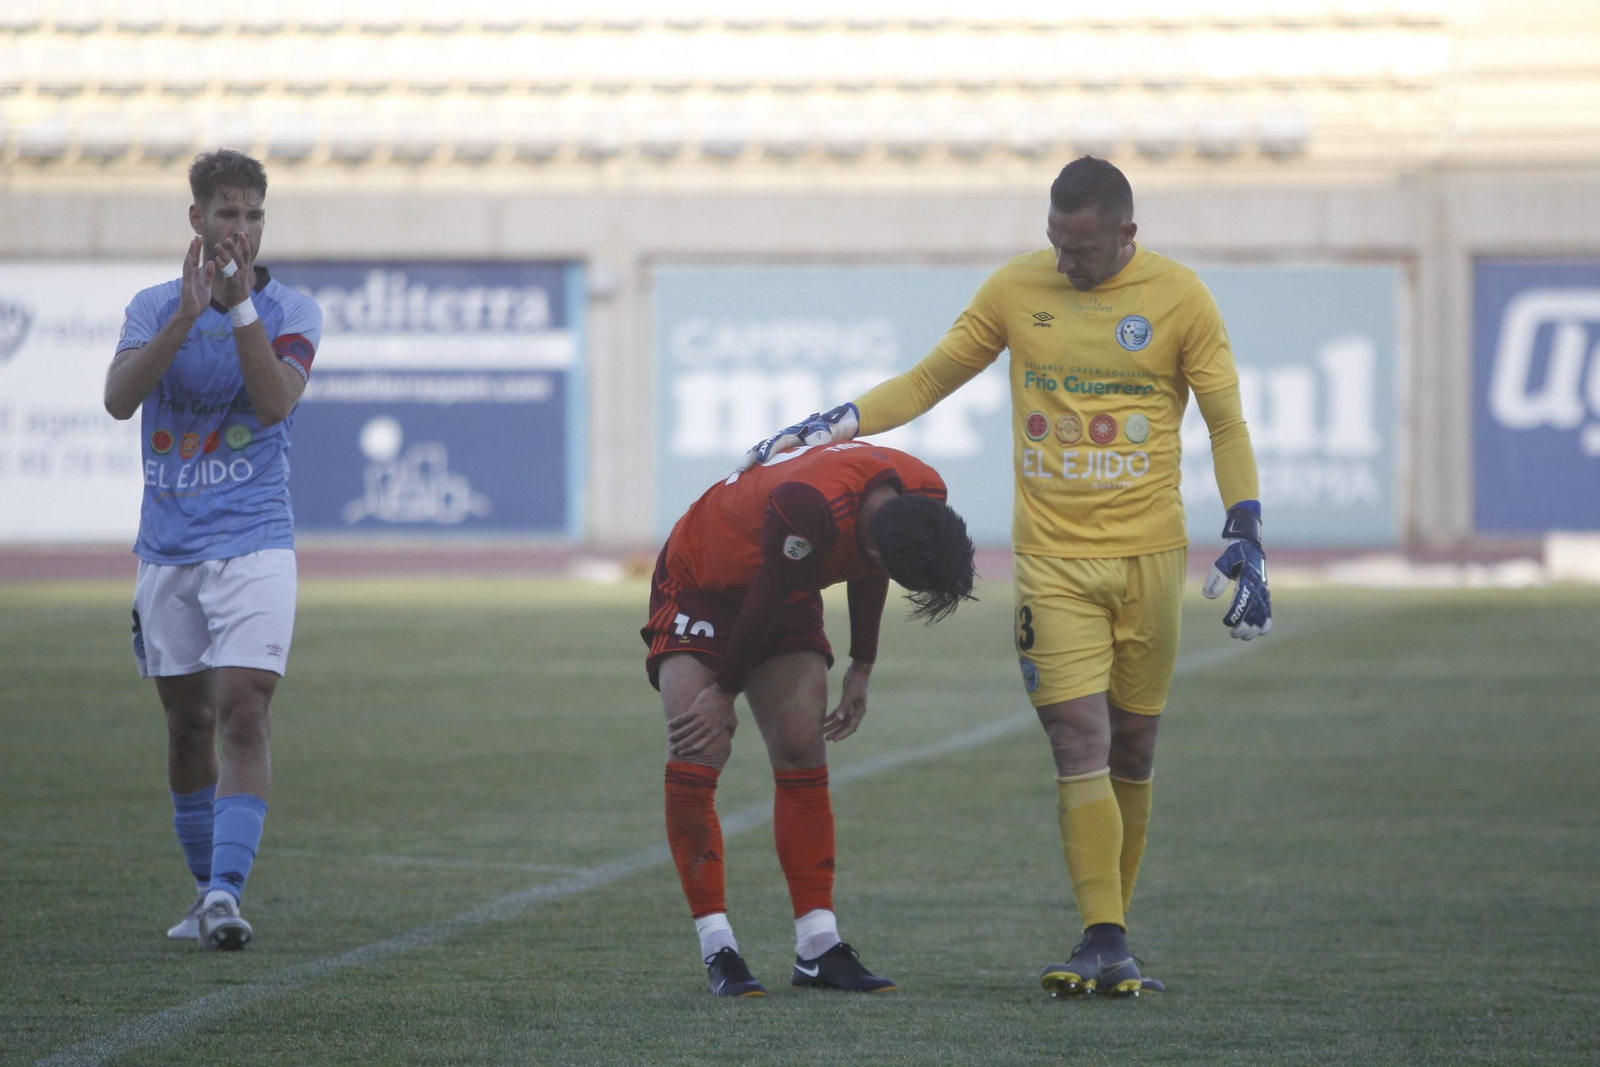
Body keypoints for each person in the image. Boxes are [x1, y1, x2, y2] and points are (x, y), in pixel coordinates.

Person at [739, 156, 1272, 998]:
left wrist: (1244, 523)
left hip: (1152, 559)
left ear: (1128, 235)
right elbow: (928, 378)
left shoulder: (1182, 298)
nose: (1066, 264)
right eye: (1056, 243)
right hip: (1054, 562)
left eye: (1085, 249)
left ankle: (1112, 936)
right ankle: (1103, 933)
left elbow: (1226, 422)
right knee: (1077, 740)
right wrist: (833, 422)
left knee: (1134, 742)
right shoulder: (1015, 290)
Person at [644, 440, 977, 997]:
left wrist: (862, 664)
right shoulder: (811, 507)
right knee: (701, 746)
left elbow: (864, 562)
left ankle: (818, 948)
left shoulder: (922, 495)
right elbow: (771, 589)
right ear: (877, 552)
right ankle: (717, 946)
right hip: (701, 581)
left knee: (802, 748)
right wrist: (723, 692)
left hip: (788, 579)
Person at [103, 149, 321, 951]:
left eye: (255, 215)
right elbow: (120, 399)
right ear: (196, 219)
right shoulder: (152, 306)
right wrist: (187, 316)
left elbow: (271, 404)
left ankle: (227, 892)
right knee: (187, 726)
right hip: (167, 547)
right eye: (228, 214)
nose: (242, 230)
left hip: (256, 539)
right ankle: (204, 893)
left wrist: (236, 312)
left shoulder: (294, 310)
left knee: (243, 709)